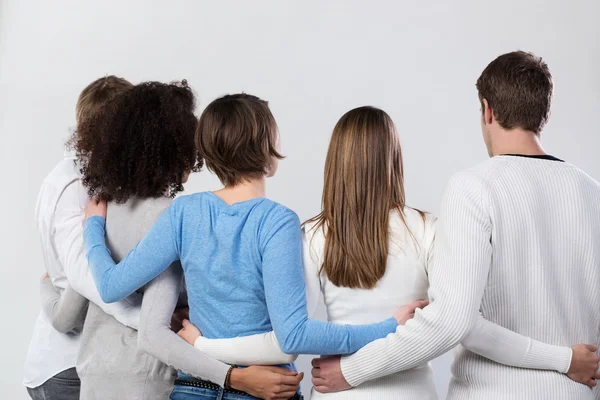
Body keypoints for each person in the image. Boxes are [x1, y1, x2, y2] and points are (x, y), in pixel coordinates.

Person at [176, 105, 600, 399]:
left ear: (334, 162)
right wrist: (561, 359)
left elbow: (287, 341)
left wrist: (206, 345)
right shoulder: (429, 230)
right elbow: (462, 324)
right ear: (395, 160)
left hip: (334, 393)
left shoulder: (308, 236)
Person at [82, 93, 418, 400]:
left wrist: (93, 227)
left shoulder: (184, 212)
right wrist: (386, 329)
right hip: (262, 391)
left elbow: (112, 286)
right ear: (266, 147)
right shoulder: (277, 221)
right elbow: (294, 336)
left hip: (193, 389)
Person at [310, 51, 600, 399]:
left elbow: (453, 321)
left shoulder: (474, 187)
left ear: (487, 109)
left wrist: (352, 370)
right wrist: (568, 360)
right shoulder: (592, 192)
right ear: (544, 113)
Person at [23, 75, 142, 400]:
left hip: (94, 358)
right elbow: (86, 276)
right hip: (67, 368)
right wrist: (147, 320)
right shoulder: (72, 186)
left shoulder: (98, 178)